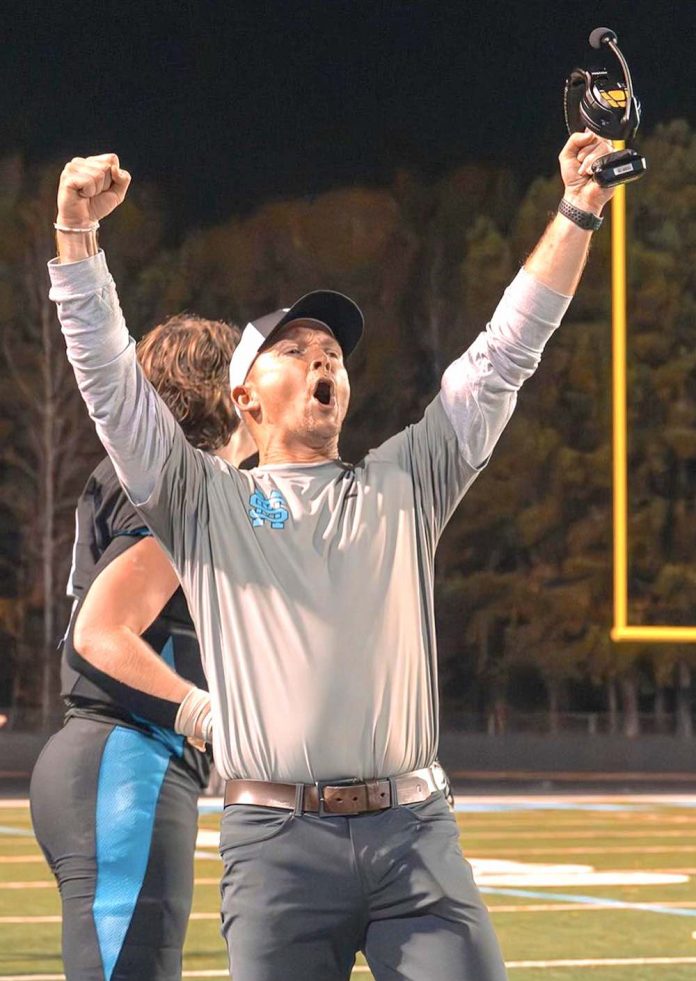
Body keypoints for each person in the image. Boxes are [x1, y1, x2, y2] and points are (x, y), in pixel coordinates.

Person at [49, 132, 616, 981]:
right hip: (275, 846)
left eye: (335, 352)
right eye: (293, 348)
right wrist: (77, 240)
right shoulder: (204, 502)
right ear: (243, 396)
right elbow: (108, 384)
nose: (323, 356)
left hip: (415, 837)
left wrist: (579, 207)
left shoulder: (405, 481)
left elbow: (506, 352)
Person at [30, 313, 255, 981]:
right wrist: (203, 715)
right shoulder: (173, 486)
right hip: (126, 759)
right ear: (223, 390)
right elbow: (99, 633)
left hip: (113, 759)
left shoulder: (170, 480)